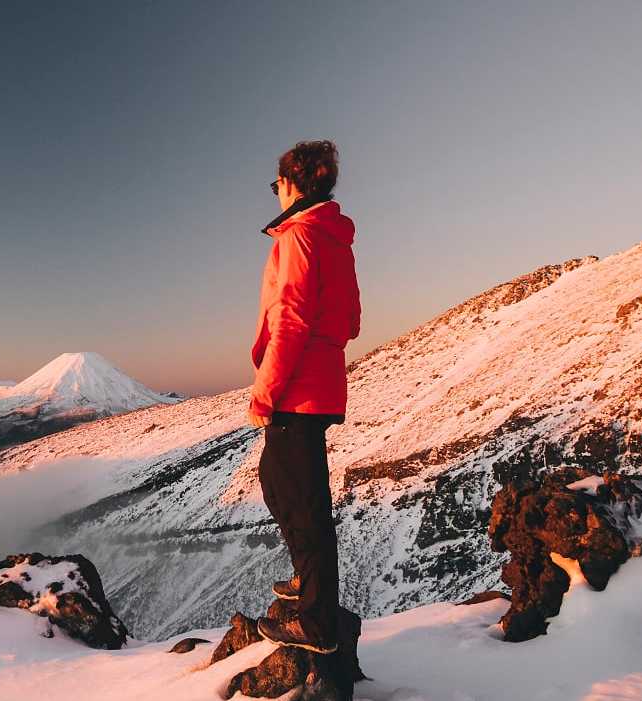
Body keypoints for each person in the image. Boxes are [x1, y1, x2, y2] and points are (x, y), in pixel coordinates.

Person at [246, 140, 361, 691]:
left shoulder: (300, 236)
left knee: (301, 501)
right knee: (284, 485)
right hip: (322, 385)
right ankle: (307, 585)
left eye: (277, 184)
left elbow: (289, 320)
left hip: (295, 389)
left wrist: (265, 391)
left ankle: (316, 621)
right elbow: (350, 320)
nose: (277, 193)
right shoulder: (337, 241)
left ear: (293, 183)